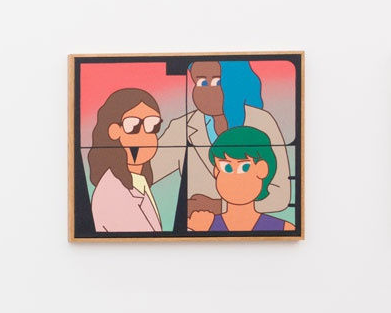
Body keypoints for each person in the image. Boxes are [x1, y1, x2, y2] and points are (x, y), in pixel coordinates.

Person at [173, 60, 293, 226]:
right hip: (197, 230)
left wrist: (217, 206)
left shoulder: (261, 121)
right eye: (201, 82)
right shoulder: (182, 126)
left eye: (217, 81)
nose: (207, 90)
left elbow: (280, 196)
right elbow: (147, 172)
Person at [86, 88, 171, 232]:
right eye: (133, 125)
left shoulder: (138, 182)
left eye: (152, 125)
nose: (144, 134)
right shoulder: (112, 193)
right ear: (114, 131)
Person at [186, 126, 297, 233]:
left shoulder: (283, 228)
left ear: (262, 170)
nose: (234, 178)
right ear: (216, 171)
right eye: (227, 167)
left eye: (244, 167)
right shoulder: (204, 224)